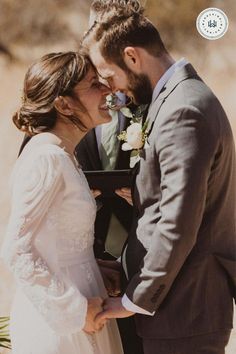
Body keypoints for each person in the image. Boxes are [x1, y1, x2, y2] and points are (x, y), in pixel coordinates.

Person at [83, 1, 236, 353]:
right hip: (177, 310)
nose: (113, 90)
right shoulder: (175, 99)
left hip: (185, 310)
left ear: (132, 57)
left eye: (109, 75)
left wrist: (134, 299)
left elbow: (178, 224)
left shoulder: (183, 109)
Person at [1, 51, 124, 354]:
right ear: (64, 104)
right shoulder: (47, 158)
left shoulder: (63, 154)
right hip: (61, 324)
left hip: (86, 303)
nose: (107, 90)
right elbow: (17, 249)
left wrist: (92, 267)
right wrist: (75, 311)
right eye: (94, 84)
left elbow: (51, 242)